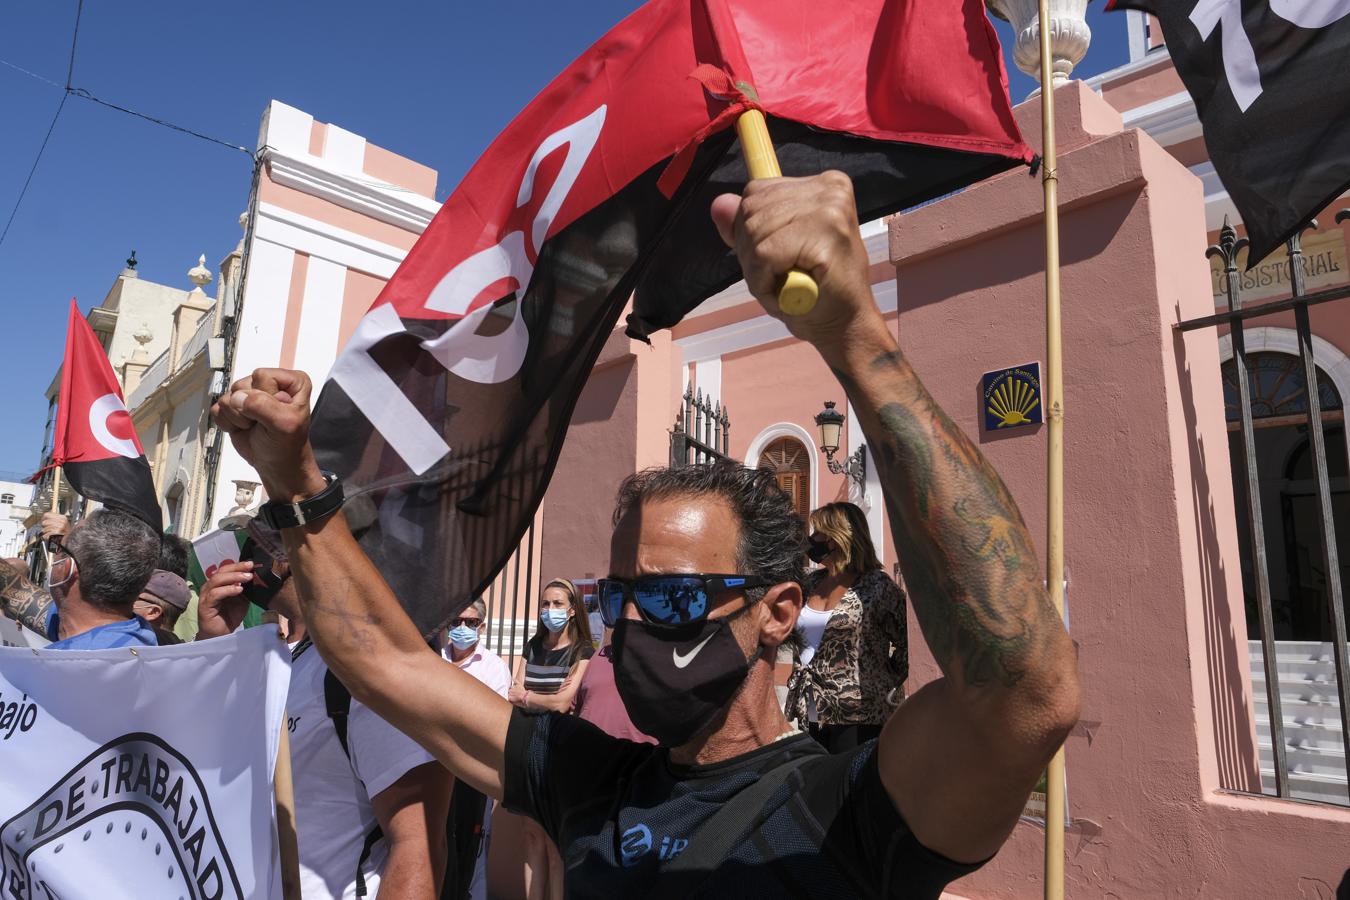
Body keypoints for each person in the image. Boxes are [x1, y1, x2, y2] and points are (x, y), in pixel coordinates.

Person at [211, 171, 1081, 898]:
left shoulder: (848, 807)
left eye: (671, 597)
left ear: (779, 610)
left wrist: (852, 335)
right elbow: (387, 665)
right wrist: (297, 486)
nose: (631, 628)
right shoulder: (588, 780)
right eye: (620, 597)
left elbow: (1024, 690)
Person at [198, 548, 451, 899]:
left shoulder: (376, 666)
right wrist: (215, 646)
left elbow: (418, 845)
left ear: (291, 554)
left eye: (263, 530)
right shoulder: (291, 657)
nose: (247, 550)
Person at [785, 501, 908, 752]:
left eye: (818, 533)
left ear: (837, 538)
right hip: (812, 710)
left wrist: (883, 678)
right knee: (819, 784)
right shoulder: (810, 582)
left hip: (859, 713)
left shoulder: (876, 586)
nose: (812, 540)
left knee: (852, 786)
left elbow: (908, 642)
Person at [507, 578, 592, 900]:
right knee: (530, 836)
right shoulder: (533, 645)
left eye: (557, 604)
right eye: (546, 603)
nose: (550, 610)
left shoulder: (581, 651)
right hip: (525, 743)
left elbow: (562, 703)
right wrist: (535, 697)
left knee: (554, 842)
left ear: (572, 611)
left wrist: (528, 697)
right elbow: (511, 692)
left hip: (559, 748)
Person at [1, 508, 160, 650]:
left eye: (58, 547)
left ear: (67, 568)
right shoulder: (138, 635)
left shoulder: (51, 670)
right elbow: (19, 592)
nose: (55, 552)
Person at [439, 599, 509, 900]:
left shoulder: (493, 667)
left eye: (470, 623)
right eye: (456, 622)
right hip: (432, 768)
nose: (462, 628)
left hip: (471, 772)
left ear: (481, 626)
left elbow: (494, 723)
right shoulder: (433, 660)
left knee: (470, 848)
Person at [574, 626, 656, 745]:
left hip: (638, 759)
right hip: (587, 754)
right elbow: (576, 708)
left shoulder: (663, 662)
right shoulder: (597, 656)